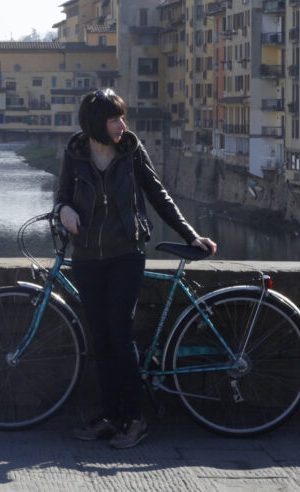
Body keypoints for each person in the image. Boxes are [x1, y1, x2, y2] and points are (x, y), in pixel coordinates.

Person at [53, 88, 217, 449]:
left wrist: (190, 235)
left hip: (126, 254)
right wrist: (63, 210)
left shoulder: (130, 151)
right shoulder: (75, 153)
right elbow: (61, 195)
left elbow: (158, 194)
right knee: (100, 338)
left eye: (122, 118)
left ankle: (136, 418)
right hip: (86, 257)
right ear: (96, 122)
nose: (122, 125)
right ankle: (111, 417)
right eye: (115, 119)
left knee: (119, 333)